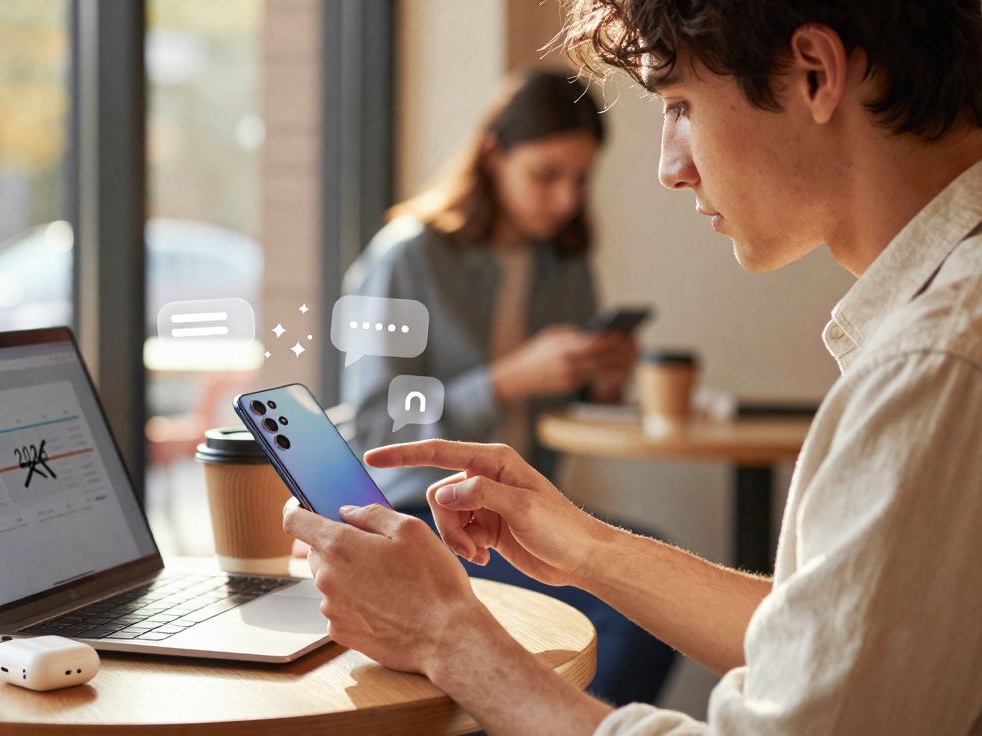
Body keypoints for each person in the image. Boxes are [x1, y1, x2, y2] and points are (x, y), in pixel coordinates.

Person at [285, 1, 982, 733]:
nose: (668, 168)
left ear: (814, 74)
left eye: (679, 105)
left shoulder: (935, 365)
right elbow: (835, 638)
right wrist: (587, 547)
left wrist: (445, 638)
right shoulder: (938, 334)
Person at [342, 69, 672, 705]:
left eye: (580, 180)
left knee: (657, 578)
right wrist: (506, 380)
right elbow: (376, 428)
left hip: (521, 509)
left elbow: (565, 414)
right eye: (546, 175)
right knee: (634, 613)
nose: (565, 200)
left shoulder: (565, 265)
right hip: (420, 517)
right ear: (494, 155)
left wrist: (601, 381)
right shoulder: (407, 257)